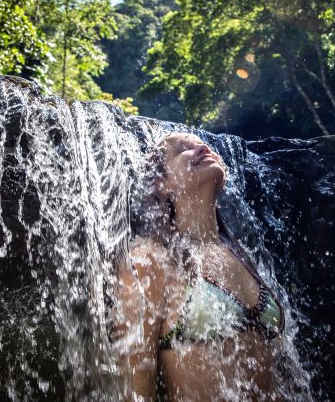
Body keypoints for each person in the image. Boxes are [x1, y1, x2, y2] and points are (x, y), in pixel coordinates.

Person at [113, 133, 284, 400]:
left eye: (203, 146)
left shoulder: (240, 255)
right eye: (184, 149)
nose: (202, 148)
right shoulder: (150, 260)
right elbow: (133, 385)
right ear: (160, 183)